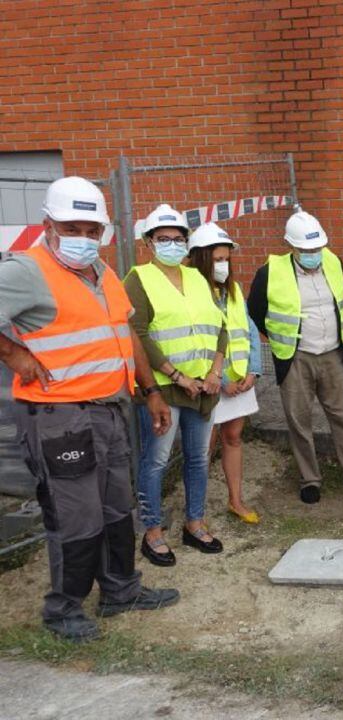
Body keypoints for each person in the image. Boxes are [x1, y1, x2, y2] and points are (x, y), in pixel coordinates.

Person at [0, 177, 178, 642]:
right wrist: (13, 353)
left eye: (91, 229)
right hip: (58, 416)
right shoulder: (26, 270)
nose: (82, 238)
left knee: (117, 508)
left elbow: (127, 334)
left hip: (109, 410)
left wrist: (151, 390)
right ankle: (64, 610)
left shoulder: (103, 273)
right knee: (76, 516)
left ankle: (121, 590)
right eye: (71, 227)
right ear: (48, 225)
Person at [248, 209, 343, 503]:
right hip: (296, 357)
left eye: (317, 248)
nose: (313, 254)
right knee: (299, 420)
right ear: (291, 246)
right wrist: (278, 339)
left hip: (333, 353)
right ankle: (310, 479)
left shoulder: (334, 262)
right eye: (306, 250)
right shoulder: (269, 273)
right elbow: (256, 311)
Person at [126, 205, 227, 566]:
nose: (171, 244)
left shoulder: (198, 278)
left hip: (203, 389)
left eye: (178, 239)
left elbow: (221, 327)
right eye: (163, 239)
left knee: (198, 459)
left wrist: (215, 372)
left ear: (187, 242)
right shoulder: (138, 278)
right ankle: (152, 532)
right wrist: (177, 376)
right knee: (156, 460)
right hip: (165, 389)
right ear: (149, 242)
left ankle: (194, 524)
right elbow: (136, 334)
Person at [187, 222, 263, 524]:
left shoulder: (231, 289)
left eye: (226, 258)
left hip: (240, 381)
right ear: (201, 258)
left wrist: (253, 370)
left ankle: (236, 500)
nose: (223, 264)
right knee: (204, 445)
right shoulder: (192, 292)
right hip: (212, 383)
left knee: (233, 436)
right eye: (217, 259)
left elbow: (249, 329)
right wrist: (221, 381)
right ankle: (197, 510)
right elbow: (195, 341)